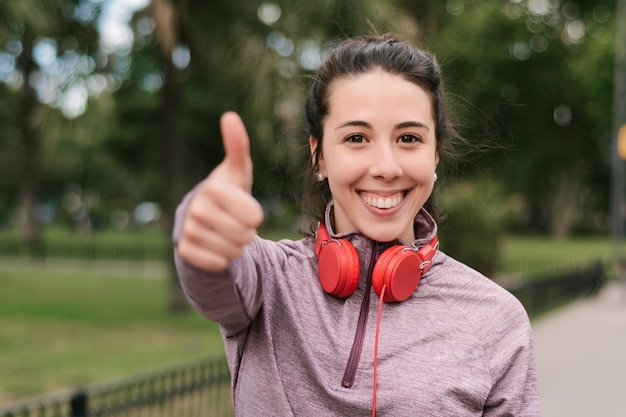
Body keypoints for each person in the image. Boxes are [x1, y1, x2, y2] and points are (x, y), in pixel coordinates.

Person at [173, 33, 540, 416]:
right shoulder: (268, 281)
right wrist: (203, 224)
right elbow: (212, 275)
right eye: (356, 137)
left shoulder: (496, 319)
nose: (385, 167)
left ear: (435, 154)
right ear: (320, 157)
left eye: (409, 137)